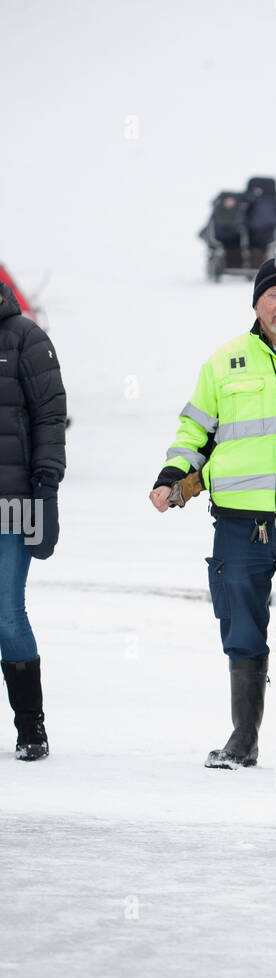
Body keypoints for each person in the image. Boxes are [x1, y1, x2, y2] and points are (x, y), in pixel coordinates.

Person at [149, 253, 276, 773]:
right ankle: (243, 740)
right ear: (257, 303)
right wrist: (172, 476)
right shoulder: (223, 362)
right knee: (240, 623)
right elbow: (194, 433)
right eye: (274, 294)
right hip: (239, 524)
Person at [0, 282, 66, 759]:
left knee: (6, 611)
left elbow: (49, 415)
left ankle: (31, 728)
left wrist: (46, 489)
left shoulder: (25, 337)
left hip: (13, 502)